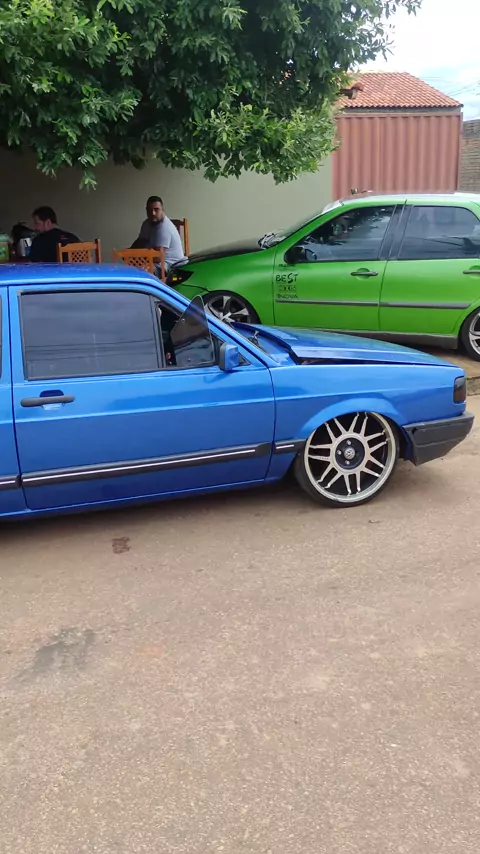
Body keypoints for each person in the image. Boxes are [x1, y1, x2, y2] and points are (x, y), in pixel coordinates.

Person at [132, 196, 187, 272]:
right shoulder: (146, 223)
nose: (153, 213)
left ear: (162, 210)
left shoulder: (165, 227)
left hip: (170, 265)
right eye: (150, 210)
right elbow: (140, 242)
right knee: (131, 268)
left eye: (156, 209)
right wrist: (128, 252)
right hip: (153, 260)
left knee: (142, 271)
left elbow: (158, 257)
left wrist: (137, 257)